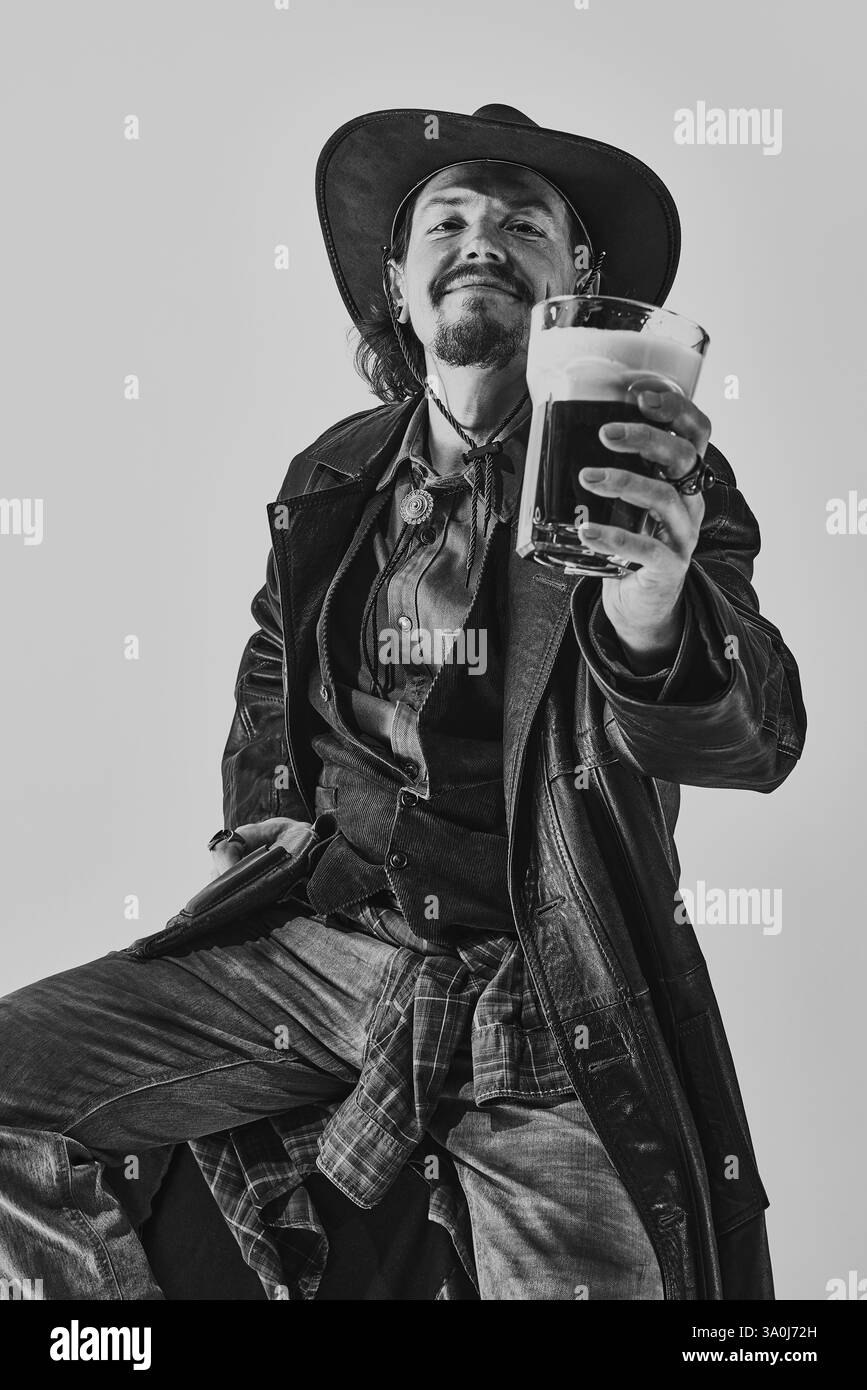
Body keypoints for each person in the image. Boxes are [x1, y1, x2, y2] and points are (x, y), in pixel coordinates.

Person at [0, 103, 806, 1301]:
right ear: (397, 277)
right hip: (326, 945)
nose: (483, 237)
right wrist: (265, 815)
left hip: (550, 982)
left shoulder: (650, 477)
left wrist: (654, 600)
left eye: (524, 222)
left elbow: (754, 737)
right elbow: (275, 656)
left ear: (578, 281)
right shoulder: (333, 469)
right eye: (450, 219)